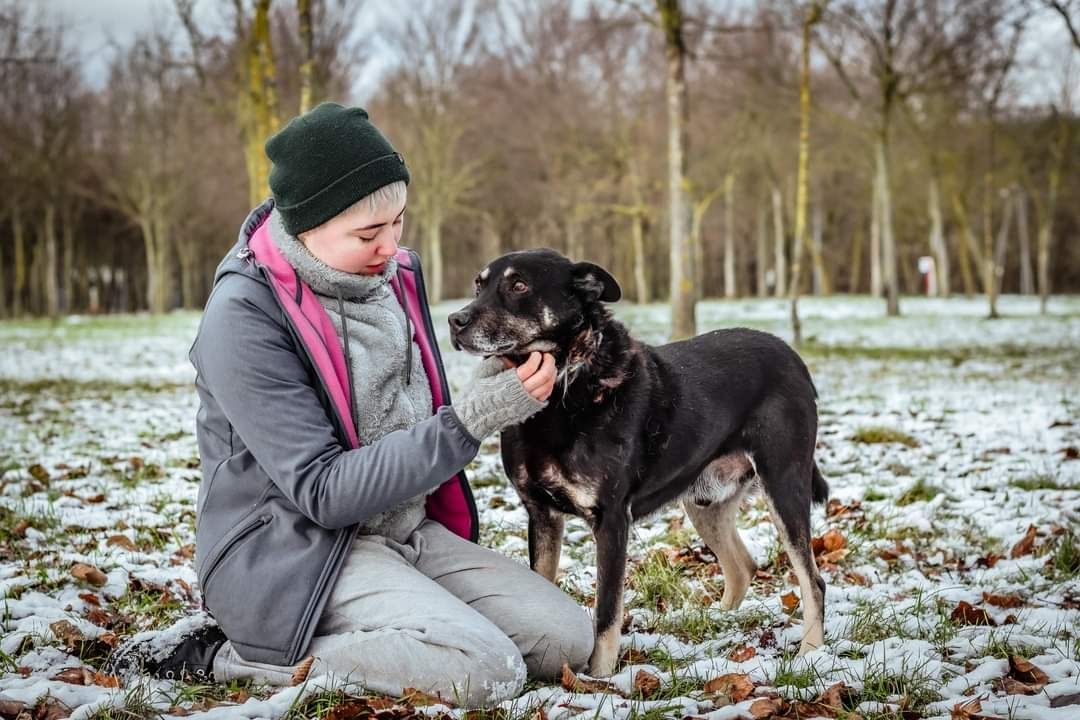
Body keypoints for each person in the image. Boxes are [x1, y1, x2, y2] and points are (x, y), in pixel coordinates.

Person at [109, 103, 593, 708]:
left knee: (565, 639)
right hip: (294, 554)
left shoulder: (392, 276)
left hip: (404, 530)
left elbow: (412, 412)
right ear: (307, 227)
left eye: (398, 223)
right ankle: (231, 656)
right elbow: (324, 491)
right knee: (483, 669)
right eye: (368, 234)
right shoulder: (244, 320)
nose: (392, 247)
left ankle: (409, 623)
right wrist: (474, 417)